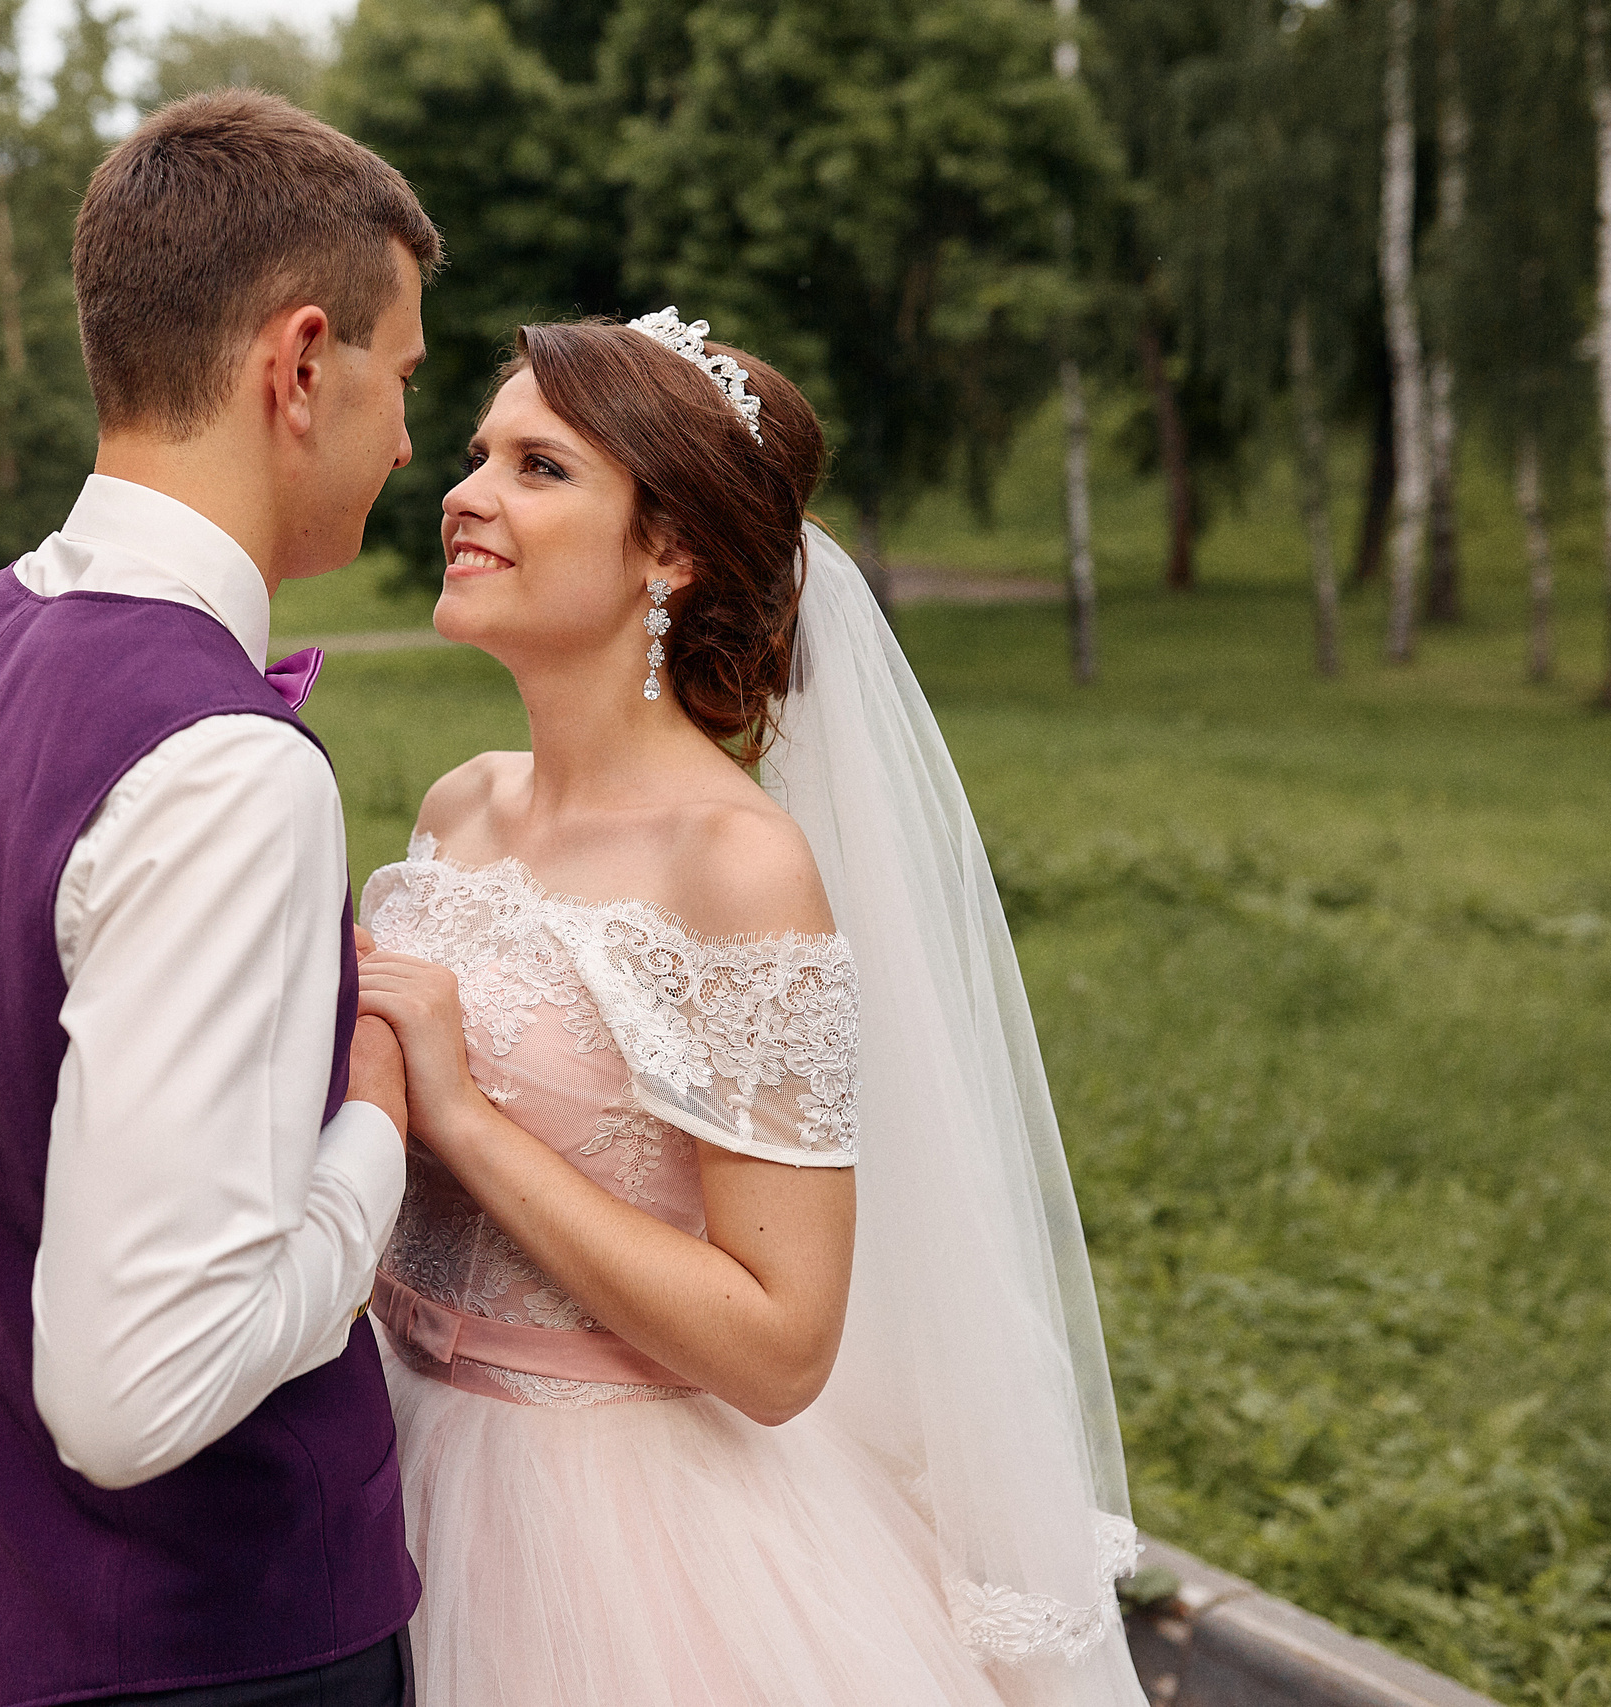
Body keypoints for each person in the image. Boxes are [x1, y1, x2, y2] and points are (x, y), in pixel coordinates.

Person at [0, 91, 441, 1707]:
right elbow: (137, 1398)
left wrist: (108, 1137)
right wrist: (372, 1130)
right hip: (228, 1644)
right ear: (301, 362)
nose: (411, 440)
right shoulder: (226, 764)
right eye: (403, 382)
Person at [348, 312, 1149, 1707]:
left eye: (540, 468)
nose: (464, 494)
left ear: (671, 550)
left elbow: (781, 1347)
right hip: (381, 1467)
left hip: (612, 1539)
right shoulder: (458, 806)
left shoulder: (736, 863)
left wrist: (467, 1124)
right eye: (478, 454)